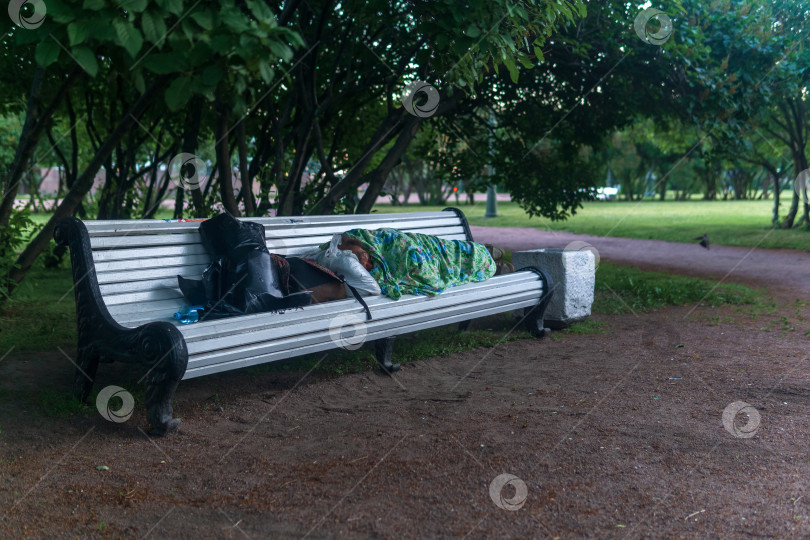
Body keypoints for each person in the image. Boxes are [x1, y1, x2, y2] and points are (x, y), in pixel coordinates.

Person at [332, 228, 509, 300]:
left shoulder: (351, 243)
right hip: (421, 262)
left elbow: (396, 241)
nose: (370, 264)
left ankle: (477, 251)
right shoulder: (342, 263)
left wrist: (361, 251)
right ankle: (486, 263)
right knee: (437, 265)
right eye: (368, 265)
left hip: (414, 245)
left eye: (368, 259)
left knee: (440, 249)